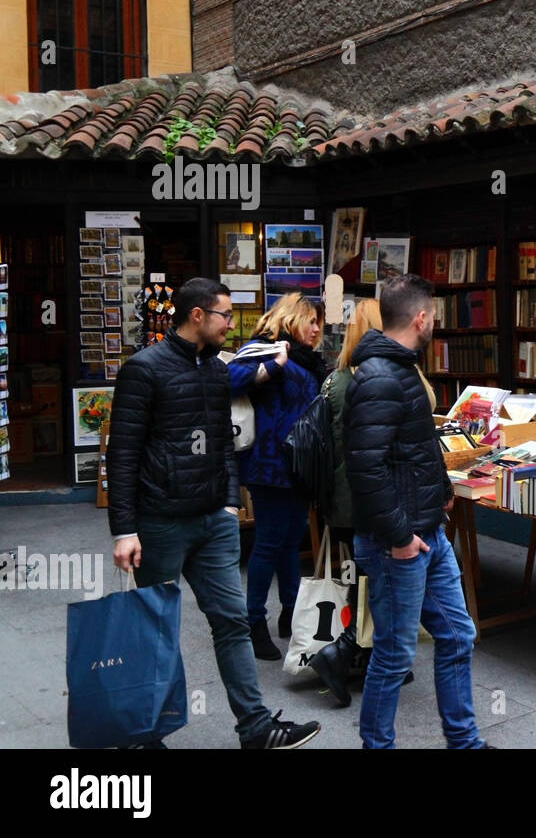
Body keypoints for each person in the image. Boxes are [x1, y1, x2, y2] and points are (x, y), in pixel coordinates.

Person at [107, 277, 320, 749]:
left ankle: (256, 728)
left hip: (212, 522)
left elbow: (224, 441)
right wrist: (124, 529)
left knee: (231, 623)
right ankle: (147, 735)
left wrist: (227, 501)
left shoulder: (215, 370)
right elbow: (121, 454)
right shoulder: (144, 370)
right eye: (225, 314)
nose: (231, 323)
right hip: (160, 522)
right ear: (198, 315)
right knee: (156, 630)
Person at [345, 274, 486, 748]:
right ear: (421, 318)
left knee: (456, 635)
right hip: (400, 543)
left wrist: (441, 487)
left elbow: (412, 446)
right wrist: (401, 538)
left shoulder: (399, 369)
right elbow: (365, 469)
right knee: (393, 653)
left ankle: (464, 742)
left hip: (428, 530)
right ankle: (376, 745)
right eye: (435, 318)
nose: (435, 327)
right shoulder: (382, 377)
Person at [228, 291, 326, 660]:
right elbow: (228, 381)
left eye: (319, 322)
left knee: (290, 541)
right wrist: (273, 365)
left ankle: (290, 612)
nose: (317, 329)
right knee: (268, 542)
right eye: (311, 321)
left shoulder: (309, 360)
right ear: (291, 319)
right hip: (269, 465)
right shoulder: (265, 349)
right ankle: (254, 622)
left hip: (300, 464)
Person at [307, 297, 383, 705]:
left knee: (363, 579)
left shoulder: (336, 379)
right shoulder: (372, 380)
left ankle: (365, 657)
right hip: (366, 500)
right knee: (374, 582)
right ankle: (345, 654)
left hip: (341, 498)